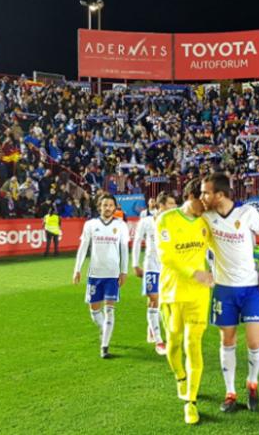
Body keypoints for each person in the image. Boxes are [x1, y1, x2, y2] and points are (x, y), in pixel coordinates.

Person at [200, 172, 259, 413]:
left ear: (219, 195)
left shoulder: (247, 213)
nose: (203, 196)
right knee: (227, 340)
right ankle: (230, 392)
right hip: (223, 288)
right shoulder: (206, 216)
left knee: (254, 342)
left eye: (206, 192)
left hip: (251, 287)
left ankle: (252, 382)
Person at [156, 179, 212, 425]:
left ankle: (191, 401)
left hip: (198, 294)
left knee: (193, 344)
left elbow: (221, 248)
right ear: (190, 196)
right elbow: (166, 256)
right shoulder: (166, 220)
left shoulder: (206, 222)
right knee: (174, 342)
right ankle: (180, 376)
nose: (207, 204)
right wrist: (194, 273)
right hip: (172, 293)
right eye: (203, 198)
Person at [73, 193, 129, 359]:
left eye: (111, 205)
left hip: (112, 274)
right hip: (95, 274)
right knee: (94, 311)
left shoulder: (121, 226)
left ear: (115, 207)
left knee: (110, 311)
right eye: (105, 205)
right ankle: (105, 329)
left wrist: (124, 271)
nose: (108, 208)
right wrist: (77, 269)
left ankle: (104, 346)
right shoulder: (91, 224)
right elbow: (83, 247)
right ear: (99, 206)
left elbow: (124, 250)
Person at [132, 191, 177, 356]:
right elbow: (137, 241)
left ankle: (152, 327)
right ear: (161, 205)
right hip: (151, 266)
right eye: (171, 203)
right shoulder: (146, 222)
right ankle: (159, 341)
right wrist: (135, 264)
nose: (174, 207)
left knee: (162, 302)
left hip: (168, 268)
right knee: (154, 299)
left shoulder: (174, 223)